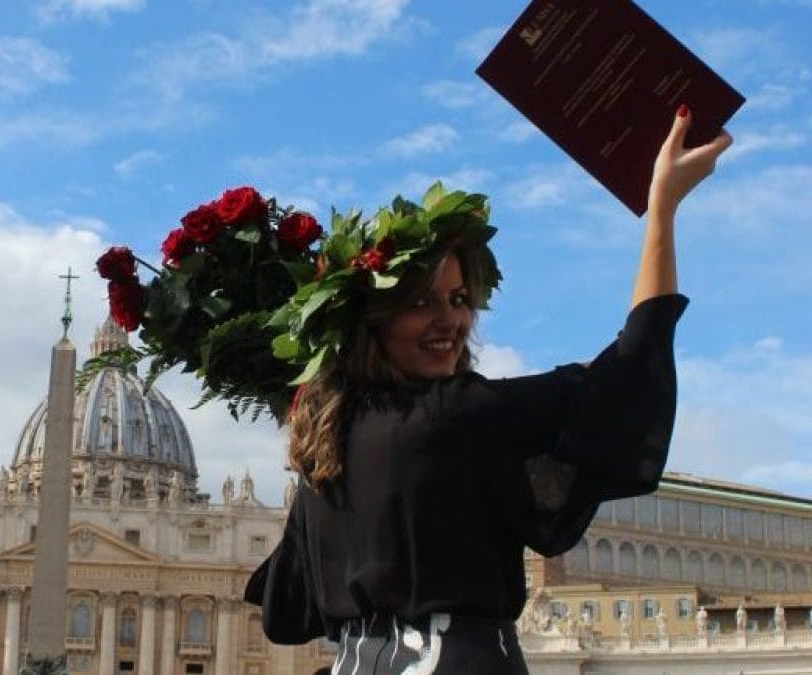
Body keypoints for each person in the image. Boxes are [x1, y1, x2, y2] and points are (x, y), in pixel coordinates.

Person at [244, 106, 732, 674]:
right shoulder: (454, 417)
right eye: (421, 302)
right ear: (372, 320)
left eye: (457, 299)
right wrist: (663, 211)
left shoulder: (323, 449)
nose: (450, 320)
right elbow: (627, 375)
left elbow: (288, 611)